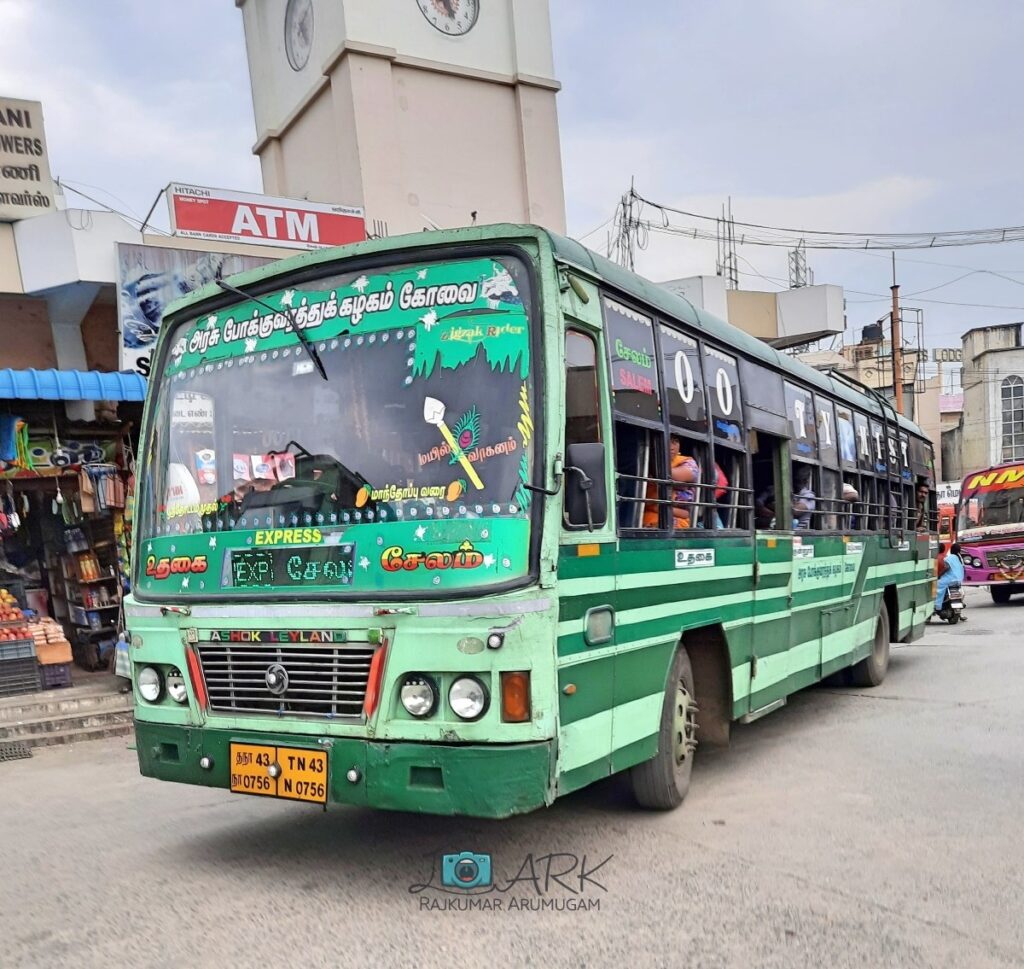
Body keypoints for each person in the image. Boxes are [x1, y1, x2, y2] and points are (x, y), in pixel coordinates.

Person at [643, 436, 700, 529]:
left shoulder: (688, 463)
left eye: (675, 442)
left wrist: (655, 507)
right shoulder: (643, 461)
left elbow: (667, 474)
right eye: (667, 441)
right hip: (644, 518)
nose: (672, 447)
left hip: (676, 525)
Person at [933, 541, 965, 618]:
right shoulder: (959, 558)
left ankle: (937, 605)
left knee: (936, 587)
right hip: (958, 580)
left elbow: (946, 567)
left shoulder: (948, 558)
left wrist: (939, 576)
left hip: (950, 580)